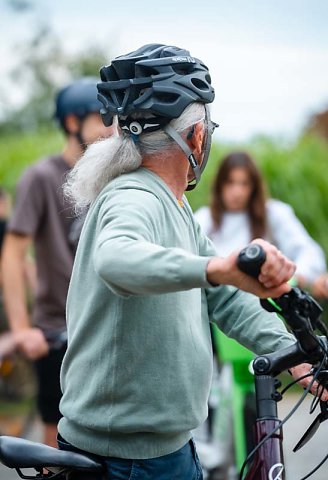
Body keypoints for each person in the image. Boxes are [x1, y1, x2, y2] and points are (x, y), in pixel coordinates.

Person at [57, 44, 327, 480]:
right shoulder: (133, 197)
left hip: (165, 450)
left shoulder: (173, 204)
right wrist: (215, 268)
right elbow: (116, 260)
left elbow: (223, 298)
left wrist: (298, 355)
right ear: (197, 136)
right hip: (129, 461)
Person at [1, 78, 114, 447]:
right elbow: (14, 254)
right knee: (57, 440)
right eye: (101, 117)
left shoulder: (112, 177)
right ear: (71, 122)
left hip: (106, 327)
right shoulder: (41, 177)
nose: (110, 127)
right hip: (56, 330)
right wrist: (20, 328)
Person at [195, 151, 328, 295]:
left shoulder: (273, 213)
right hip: (216, 303)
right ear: (219, 185)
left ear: (254, 187)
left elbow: (308, 252)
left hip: (262, 301)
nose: (237, 191)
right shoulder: (204, 218)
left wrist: (293, 278)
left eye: (244, 184)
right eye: (230, 182)